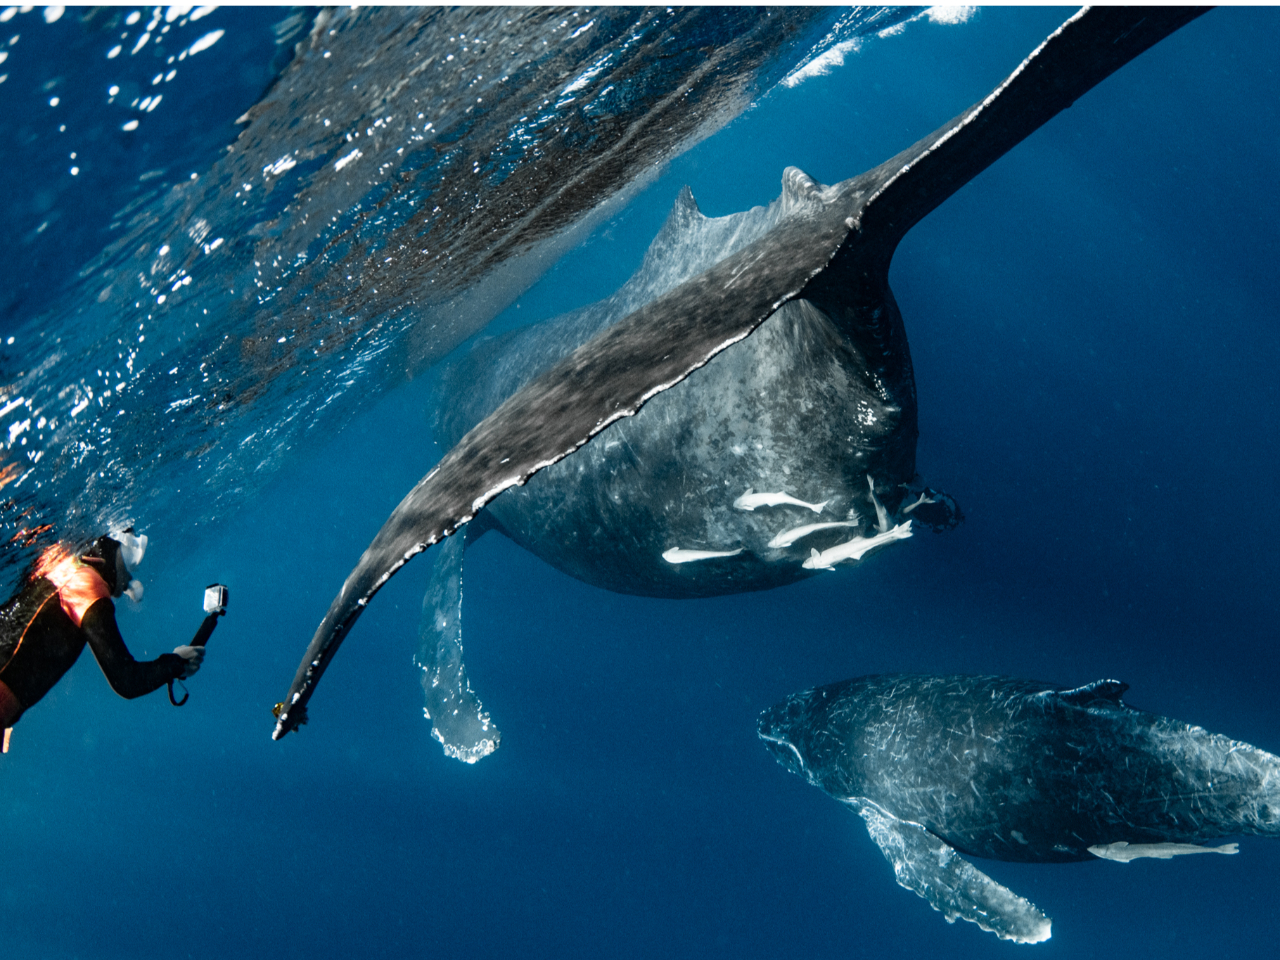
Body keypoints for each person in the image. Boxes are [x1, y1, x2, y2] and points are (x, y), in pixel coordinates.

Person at [0, 530, 217, 752]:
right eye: (128, 565)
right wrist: (175, 664)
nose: (128, 583)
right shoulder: (85, 585)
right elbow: (126, 681)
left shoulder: (59, 566)